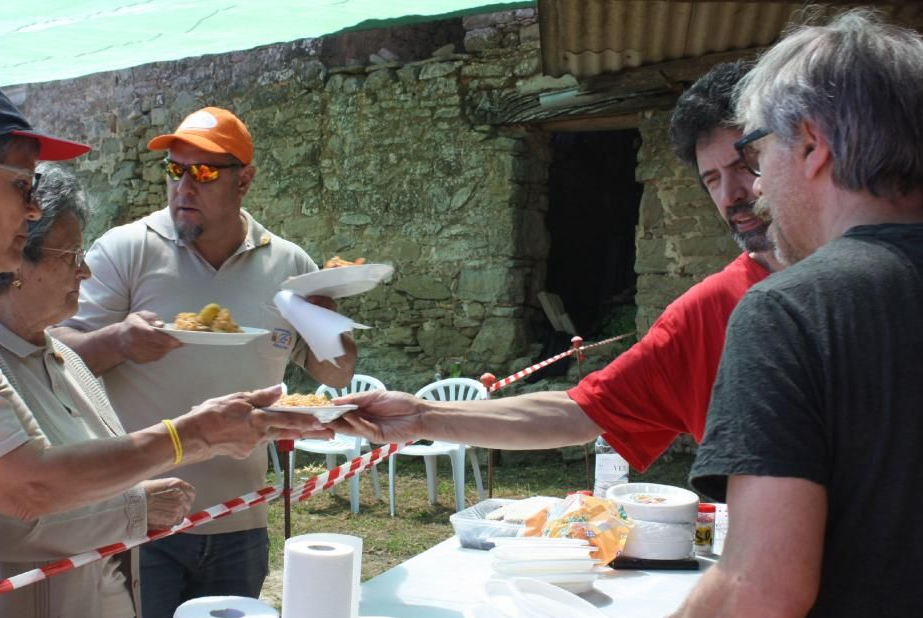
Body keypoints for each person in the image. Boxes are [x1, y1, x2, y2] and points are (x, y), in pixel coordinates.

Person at [0, 74, 324, 616]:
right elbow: (23, 493)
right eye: (23, 186)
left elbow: (36, 467)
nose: (33, 211)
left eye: (203, 172)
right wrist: (194, 437)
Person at [622, 10, 923, 618]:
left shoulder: (790, 310)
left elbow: (757, 601)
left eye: (757, 155)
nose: (754, 190)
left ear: (812, 145)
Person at [331, 62, 782, 470]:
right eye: (712, 180)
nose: (731, 195)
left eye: (745, 166)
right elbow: (578, 412)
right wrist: (421, 416)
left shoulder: (850, 285)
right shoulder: (708, 311)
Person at [53, 106, 357, 618]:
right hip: (139, 519)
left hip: (239, 517)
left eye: (205, 173)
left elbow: (334, 375)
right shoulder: (125, 250)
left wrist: (329, 320)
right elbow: (50, 360)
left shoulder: (289, 264)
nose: (185, 186)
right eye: (176, 171)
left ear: (245, 179)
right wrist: (116, 341)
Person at [0, 164, 180, 618]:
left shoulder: (62, 357)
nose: (84, 271)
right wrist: (138, 504)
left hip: (94, 609)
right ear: (19, 261)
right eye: (72, 255)